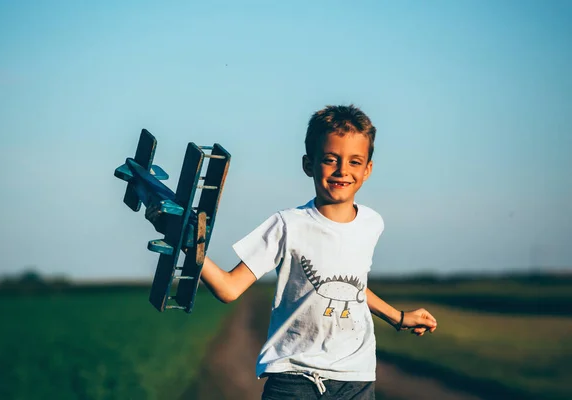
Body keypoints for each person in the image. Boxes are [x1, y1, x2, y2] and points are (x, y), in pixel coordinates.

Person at [148, 104, 438, 399]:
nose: (342, 170)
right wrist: (185, 240)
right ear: (308, 164)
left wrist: (398, 318)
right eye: (330, 159)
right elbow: (229, 288)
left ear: (367, 170)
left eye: (354, 162)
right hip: (292, 380)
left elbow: (354, 286)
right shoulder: (287, 225)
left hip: (356, 379)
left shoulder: (371, 223)